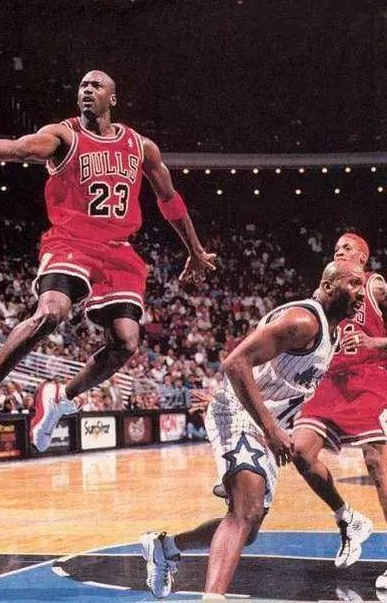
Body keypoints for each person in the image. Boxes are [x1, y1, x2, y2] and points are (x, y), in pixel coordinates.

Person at [0, 70, 216, 451]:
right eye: (82, 86)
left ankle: (60, 398)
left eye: (95, 85)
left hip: (118, 250)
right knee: (51, 312)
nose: (87, 90)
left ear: (112, 98)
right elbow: (21, 148)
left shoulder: (141, 146)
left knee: (126, 342)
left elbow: (169, 199)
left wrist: (195, 250)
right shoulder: (64, 135)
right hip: (71, 240)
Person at [140, 260, 365, 599]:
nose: (360, 294)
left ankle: (165, 547)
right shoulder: (304, 322)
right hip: (246, 417)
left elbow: (271, 377)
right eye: (353, 284)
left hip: (263, 422)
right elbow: (235, 363)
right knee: (245, 512)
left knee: (250, 526)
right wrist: (270, 426)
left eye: (362, 286)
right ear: (328, 286)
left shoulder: (331, 333)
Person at [293, 233, 387, 585]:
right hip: (332, 380)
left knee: (377, 463)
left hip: (370, 378)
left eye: (347, 248)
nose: (339, 251)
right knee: (300, 451)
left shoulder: (376, 286)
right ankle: (347, 517)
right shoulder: (329, 290)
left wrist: (374, 341)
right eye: (336, 249)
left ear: (363, 257)